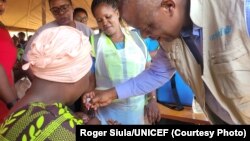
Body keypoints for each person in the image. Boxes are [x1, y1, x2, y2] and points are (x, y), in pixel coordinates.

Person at [90, 0, 250, 124]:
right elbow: (155, 73)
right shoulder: (169, 38)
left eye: (148, 25)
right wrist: (111, 94)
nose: (145, 36)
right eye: (139, 29)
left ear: (168, 6)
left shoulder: (241, 12)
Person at [0, 26, 98, 141]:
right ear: (74, 76)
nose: (88, 79)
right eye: (88, 73)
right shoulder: (62, 131)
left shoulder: (19, 110)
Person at [85, 0, 160, 125]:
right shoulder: (94, 42)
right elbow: (90, 80)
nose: (104, 22)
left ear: (117, 13)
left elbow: (148, 71)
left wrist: (152, 100)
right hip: (106, 112)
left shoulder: (138, 39)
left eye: (108, 16)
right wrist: (88, 109)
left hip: (137, 111)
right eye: (99, 20)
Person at [23, 0, 93, 62]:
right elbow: (26, 59)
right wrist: (38, 77)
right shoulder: (44, 32)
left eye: (64, 8)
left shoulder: (86, 30)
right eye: (55, 10)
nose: (61, 12)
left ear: (72, 7)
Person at [0, 0, 19, 123]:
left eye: (3, 0)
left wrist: (15, 99)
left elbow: (9, 68)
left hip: (7, 102)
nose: (1, 3)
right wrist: (13, 103)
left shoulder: (3, 29)